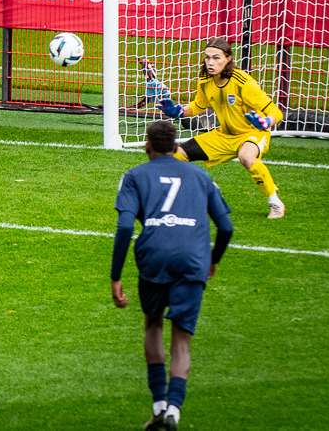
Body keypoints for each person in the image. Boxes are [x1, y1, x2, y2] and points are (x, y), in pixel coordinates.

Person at [111, 120, 234, 431]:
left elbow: (124, 227)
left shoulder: (134, 176)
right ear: (176, 146)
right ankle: (174, 411)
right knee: (182, 339)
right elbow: (226, 227)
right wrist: (213, 261)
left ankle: (158, 404)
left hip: (154, 258)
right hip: (193, 260)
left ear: (147, 145)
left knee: (153, 323)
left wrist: (116, 276)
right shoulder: (201, 176)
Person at [157, 37, 287, 219]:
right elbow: (199, 105)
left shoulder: (244, 83)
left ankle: (275, 203)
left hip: (252, 133)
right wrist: (178, 111)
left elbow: (276, 112)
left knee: (246, 157)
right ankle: (208, 188)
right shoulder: (205, 80)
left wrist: (266, 122)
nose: (210, 62)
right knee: (175, 155)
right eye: (207, 57)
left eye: (216, 58)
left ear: (228, 59)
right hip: (224, 135)